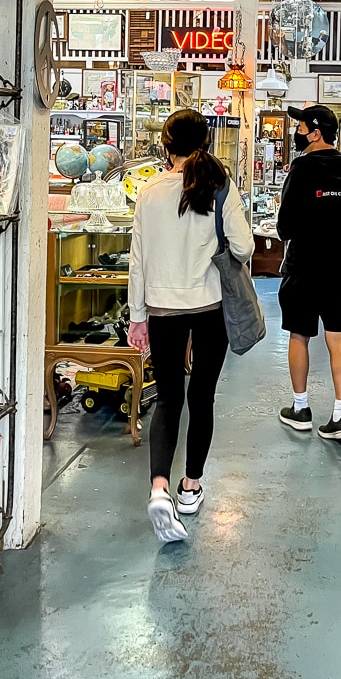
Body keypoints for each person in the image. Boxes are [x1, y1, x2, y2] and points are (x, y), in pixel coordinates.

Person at [128, 108, 254, 543]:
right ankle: (191, 488)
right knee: (202, 396)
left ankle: (159, 486)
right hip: (209, 307)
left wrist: (137, 317)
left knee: (168, 400)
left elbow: (137, 262)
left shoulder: (148, 192)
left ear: (166, 146)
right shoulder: (221, 186)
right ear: (206, 142)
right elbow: (245, 245)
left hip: (162, 309)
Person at [276, 104, 341, 441]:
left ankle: (301, 408)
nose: (298, 132)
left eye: (301, 127)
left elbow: (285, 225)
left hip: (303, 266)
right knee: (337, 337)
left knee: (299, 334)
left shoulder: (301, 169)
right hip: (340, 269)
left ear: (315, 133)